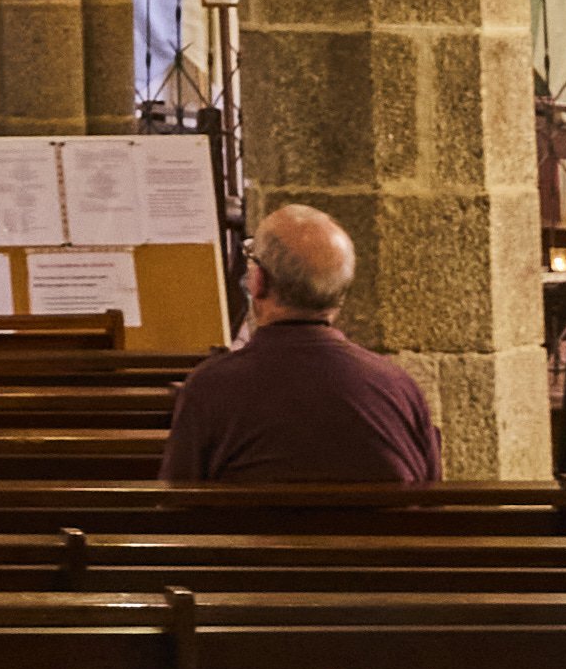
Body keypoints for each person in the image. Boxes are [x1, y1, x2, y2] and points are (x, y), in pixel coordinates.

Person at [160, 202, 440, 489]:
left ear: (258, 281)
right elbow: (431, 508)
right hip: (373, 536)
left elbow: (176, 508)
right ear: (340, 291)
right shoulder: (400, 389)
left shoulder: (211, 388)